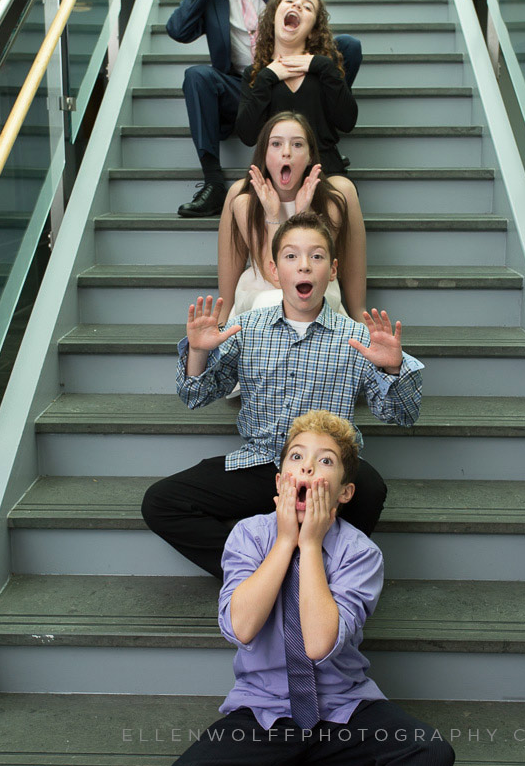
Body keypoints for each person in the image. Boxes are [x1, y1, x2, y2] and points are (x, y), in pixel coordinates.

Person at [141, 213, 424, 578]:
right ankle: (261, 572)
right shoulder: (246, 329)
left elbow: (403, 414)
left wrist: (392, 368)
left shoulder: (356, 338)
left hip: (322, 474)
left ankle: (319, 574)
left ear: (333, 269)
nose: (304, 265)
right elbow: (194, 396)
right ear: (275, 271)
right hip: (260, 466)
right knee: (161, 502)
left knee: (368, 487)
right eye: (291, 256)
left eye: (317, 256)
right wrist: (197, 352)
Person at [172, 410, 455, 766]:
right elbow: (240, 628)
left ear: (345, 491)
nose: (307, 468)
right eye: (297, 456)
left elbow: (320, 644)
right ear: (280, 482)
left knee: (430, 751)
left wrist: (309, 546)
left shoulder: (359, 553)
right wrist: (285, 541)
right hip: (263, 710)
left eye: (325, 461)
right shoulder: (249, 536)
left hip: (345, 707)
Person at [165, 0, 362, 217]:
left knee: (348, 46)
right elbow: (177, 30)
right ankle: (214, 182)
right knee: (197, 76)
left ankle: (321, 134)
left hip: (298, 69)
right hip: (249, 83)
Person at [218, 111, 366, 323]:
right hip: (261, 287)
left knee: (307, 305)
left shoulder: (334, 197)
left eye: (297, 145)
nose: (286, 152)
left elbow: (305, 272)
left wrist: (303, 213)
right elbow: (277, 278)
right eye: (276, 144)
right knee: (273, 301)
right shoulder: (245, 199)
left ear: (310, 156)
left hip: (316, 287)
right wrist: (271, 215)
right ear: (264, 154)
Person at [235, 0, 358, 176]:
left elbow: (347, 122)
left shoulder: (325, 69)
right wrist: (267, 77)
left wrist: (323, 66)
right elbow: (247, 135)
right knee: (237, 199)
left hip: (324, 171)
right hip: (275, 175)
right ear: (274, 17)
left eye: (308, 7)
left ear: (313, 31)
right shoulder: (256, 74)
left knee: (341, 196)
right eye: (290, 1)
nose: (297, 6)